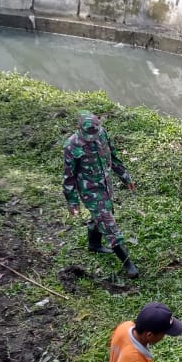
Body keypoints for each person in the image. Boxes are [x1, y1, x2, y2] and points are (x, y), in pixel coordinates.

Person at [63, 110, 139, 278]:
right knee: (108, 223)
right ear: (78, 128)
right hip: (90, 190)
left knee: (101, 217)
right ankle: (128, 264)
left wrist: (125, 177)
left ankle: (94, 244)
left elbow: (113, 156)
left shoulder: (102, 134)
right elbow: (69, 177)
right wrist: (73, 202)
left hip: (105, 185)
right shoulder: (71, 145)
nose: (92, 139)